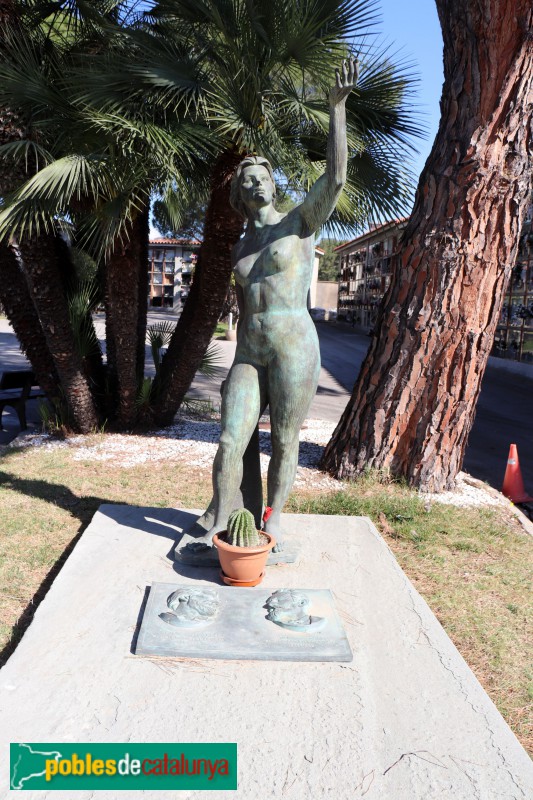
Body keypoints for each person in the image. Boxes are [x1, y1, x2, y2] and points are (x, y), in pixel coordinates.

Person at [187, 59, 357, 554]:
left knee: (284, 441)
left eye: (263, 177)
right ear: (239, 193)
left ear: (273, 185)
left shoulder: (300, 224)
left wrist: (337, 110)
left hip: (293, 346)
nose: (256, 183)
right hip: (248, 352)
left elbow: (338, 178)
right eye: (248, 180)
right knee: (228, 440)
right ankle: (222, 518)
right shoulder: (240, 245)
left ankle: (275, 518)